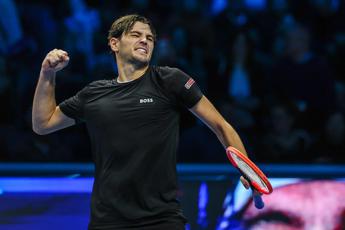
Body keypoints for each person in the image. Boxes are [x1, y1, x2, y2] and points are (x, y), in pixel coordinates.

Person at [32, 14, 254, 230]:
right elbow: (43, 124)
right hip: (107, 221)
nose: (144, 41)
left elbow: (221, 126)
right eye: (136, 35)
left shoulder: (170, 80)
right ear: (114, 43)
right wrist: (47, 73)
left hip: (162, 219)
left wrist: (247, 170)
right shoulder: (93, 93)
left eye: (149, 38)